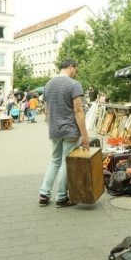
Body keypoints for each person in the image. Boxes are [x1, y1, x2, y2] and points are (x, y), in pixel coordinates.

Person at [38, 59, 89, 207]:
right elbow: (78, 111)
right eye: (76, 70)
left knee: (54, 161)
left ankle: (44, 193)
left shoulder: (48, 85)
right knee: (66, 163)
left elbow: (46, 111)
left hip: (54, 130)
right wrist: (85, 135)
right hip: (70, 130)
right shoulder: (74, 85)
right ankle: (61, 197)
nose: (76, 73)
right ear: (71, 67)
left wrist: (52, 125)